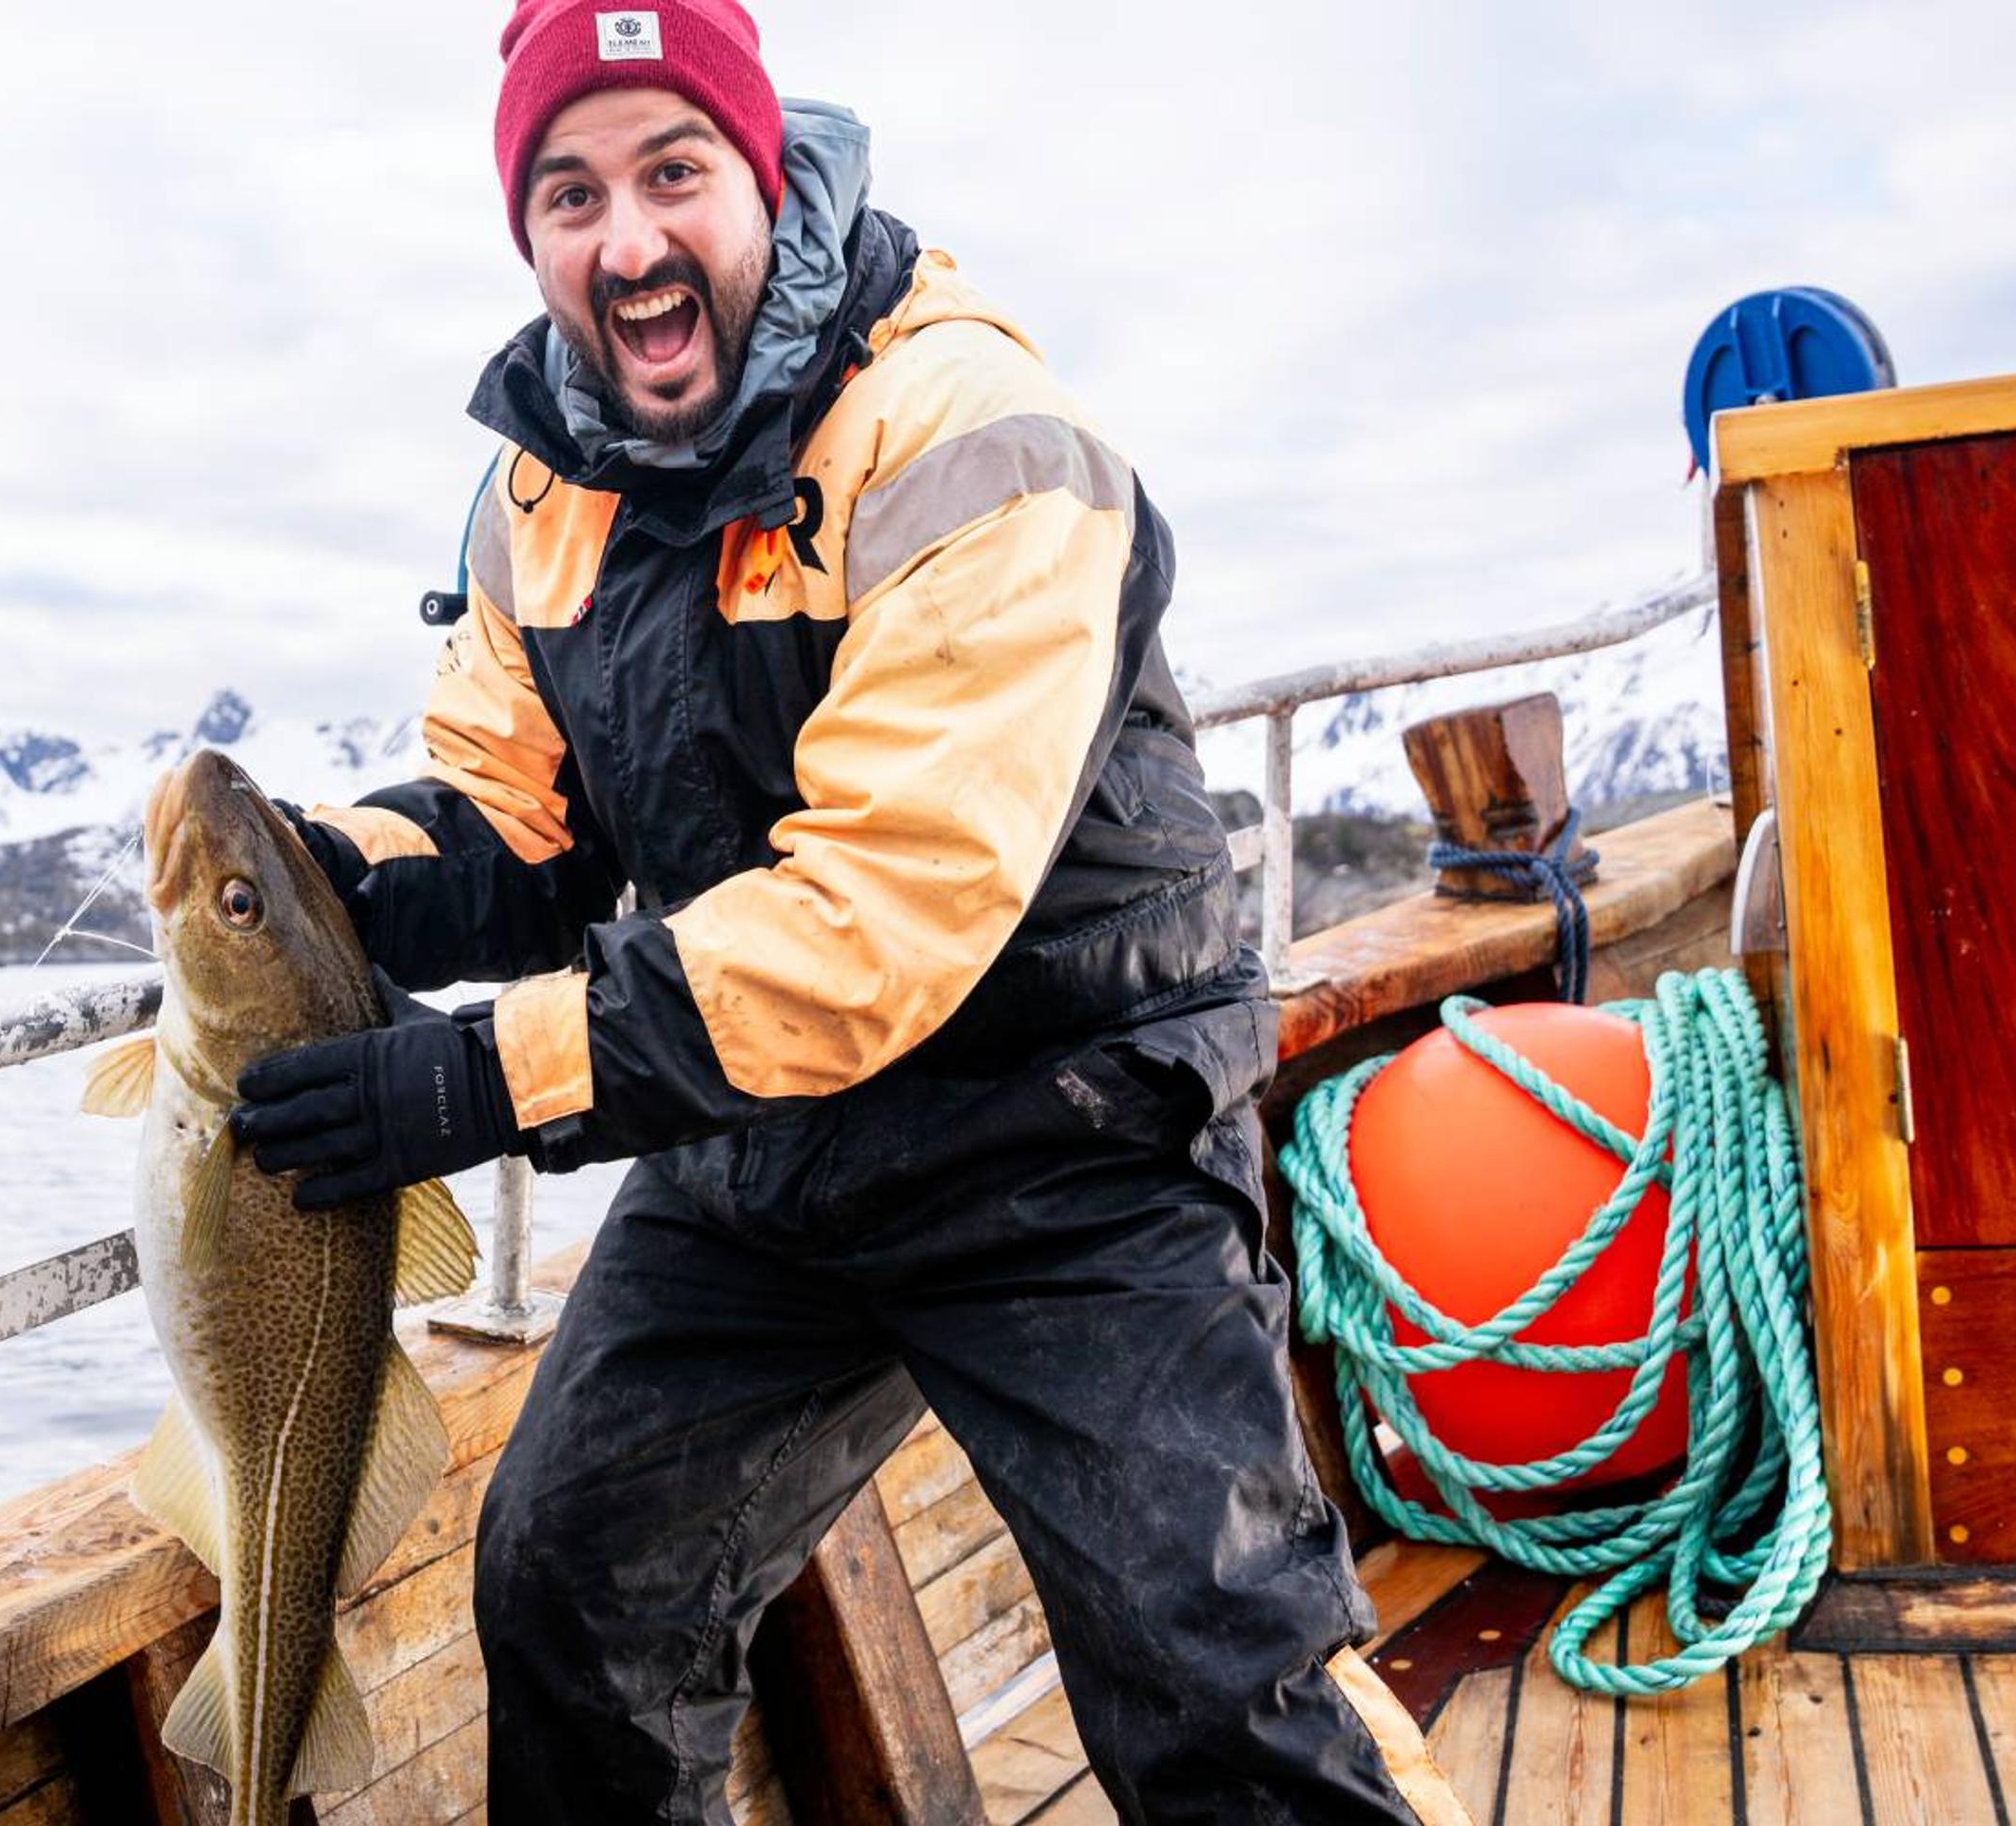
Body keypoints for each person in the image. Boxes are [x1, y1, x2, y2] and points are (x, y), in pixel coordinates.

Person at [223, 3, 1471, 1820]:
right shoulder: (535, 488)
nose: (628, 240)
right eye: (568, 193)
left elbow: (888, 910)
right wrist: (322, 877)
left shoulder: (975, 433)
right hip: (765, 1144)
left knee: (1222, 1693)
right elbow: (524, 824)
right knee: (570, 1590)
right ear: (526, 235)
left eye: (672, 171)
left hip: (1061, 1129)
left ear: (764, 173)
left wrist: (469, 1085)